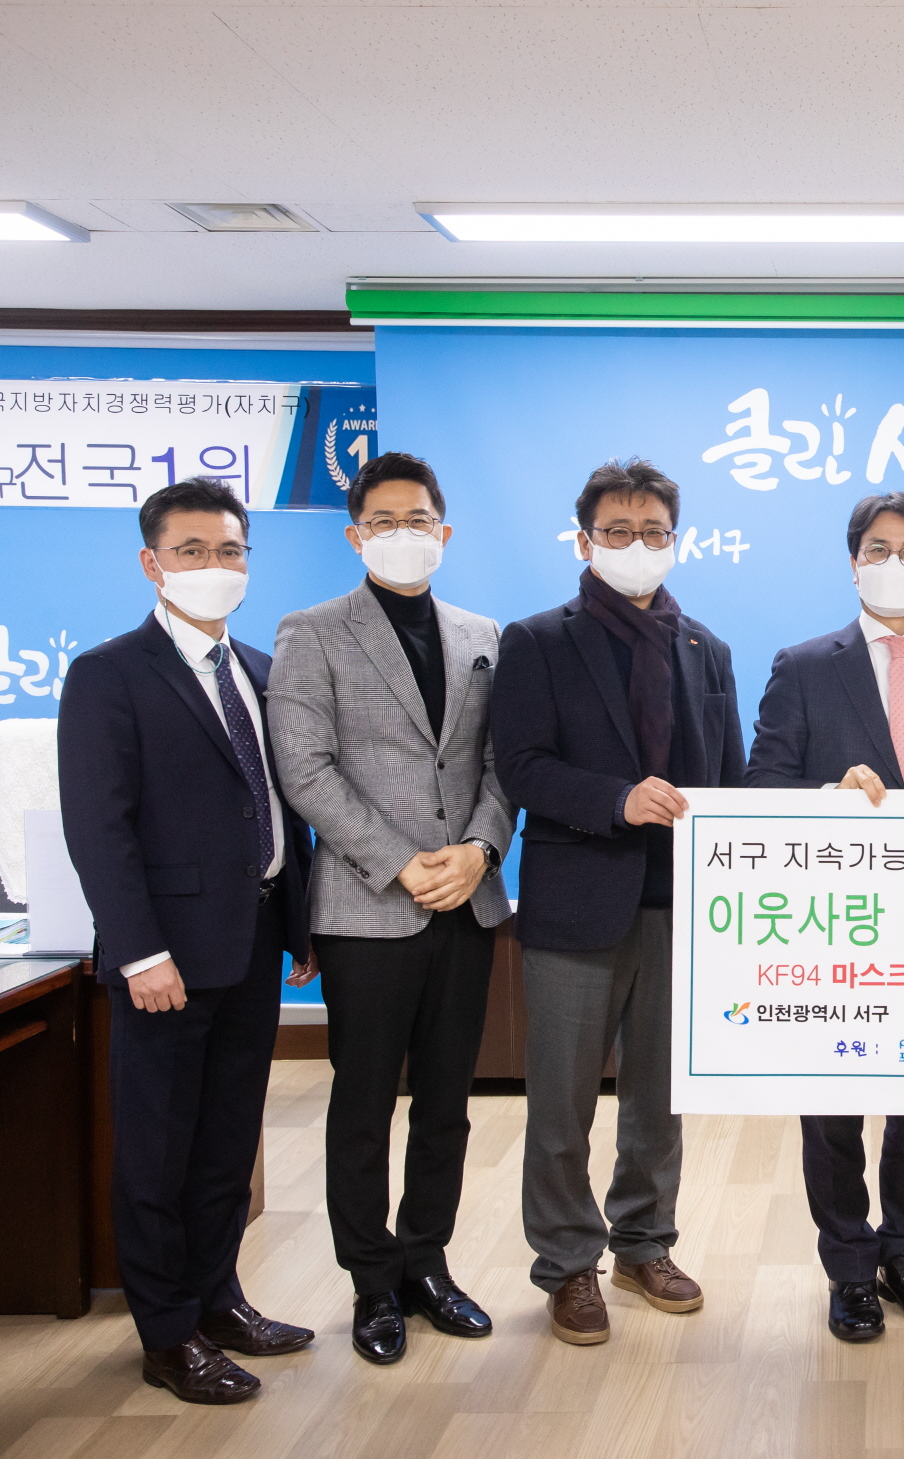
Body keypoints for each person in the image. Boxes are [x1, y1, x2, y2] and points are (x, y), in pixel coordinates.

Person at [58, 478, 316, 1404]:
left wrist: (298, 923)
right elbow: (99, 827)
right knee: (157, 1152)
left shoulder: (262, 667)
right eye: (193, 550)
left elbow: (281, 805)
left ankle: (218, 1299)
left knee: (226, 1144)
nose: (215, 565)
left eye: (231, 550)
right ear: (152, 562)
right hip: (164, 956)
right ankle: (166, 1335)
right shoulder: (109, 673)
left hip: (253, 939)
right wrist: (139, 952)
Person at [267, 452, 516, 1365]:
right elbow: (305, 770)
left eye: (417, 520)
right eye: (383, 521)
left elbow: (500, 763)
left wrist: (480, 850)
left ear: (443, 531)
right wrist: (401, 862)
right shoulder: (311, 631)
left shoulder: (481, 633)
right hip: (368, 905)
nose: (402, 534)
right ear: (355, 534)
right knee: (364, 1101)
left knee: (447, 1101)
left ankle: (427, 1263)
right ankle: (372, 1281)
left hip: (466, 899)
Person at [491, 458, 745, 1346]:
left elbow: (731, 780)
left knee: (658, 1097)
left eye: (653, 532)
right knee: (561, 1100)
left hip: (680, 905)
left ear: (676, 539)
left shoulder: (705, 648)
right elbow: (520, 767)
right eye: (618, 531)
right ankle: (567, 1262)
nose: (637, 546)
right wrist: (616, 799)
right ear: (584, 540)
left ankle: (644, 1244)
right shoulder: (538, 641)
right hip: (576, 903)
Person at [745, 491, 904, 1343]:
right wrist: (828, 795)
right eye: (877, 548)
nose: (894, 564)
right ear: (852, 563)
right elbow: (761, 788)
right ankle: (849, 1269)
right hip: (833, 927)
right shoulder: (801, 666)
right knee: (830, 1110)